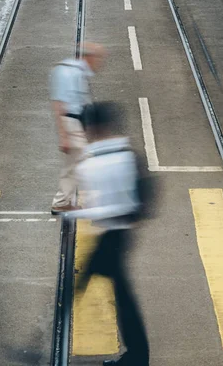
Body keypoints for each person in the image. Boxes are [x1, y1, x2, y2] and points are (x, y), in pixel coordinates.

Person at [62, 102, 149, 366]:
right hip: (120, 235)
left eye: (86, 128)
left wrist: (73, 214)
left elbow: (102, 211)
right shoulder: (126, 154)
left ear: (95, 128)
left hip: (113, 236)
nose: (84, 133)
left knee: (100, 290)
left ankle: (138, 357)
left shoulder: (94, 165)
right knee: (117, 292)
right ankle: (136, 356)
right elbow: (139, 200)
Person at [50, 43, 106, 215]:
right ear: (88, 57)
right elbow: (58, 104)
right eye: (98, 58)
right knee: (87, 160)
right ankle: (96, 201)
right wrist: (63, 136)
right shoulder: (67, 71)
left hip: (76, 123)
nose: (99, 63)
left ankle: (61, 202)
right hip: (70, 123)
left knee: (73, 165)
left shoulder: (78, 72)